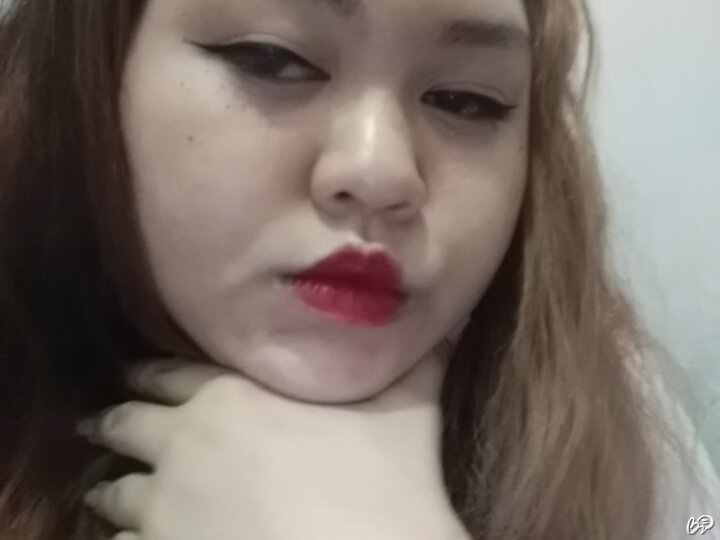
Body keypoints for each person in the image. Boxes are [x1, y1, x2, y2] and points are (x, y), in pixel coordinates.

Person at [0, 0, 717, 539]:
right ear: (92, 80)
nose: (379, 171)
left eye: (465, 100)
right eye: (272, 58)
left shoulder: (616, 419)